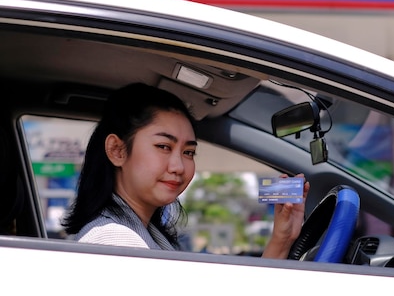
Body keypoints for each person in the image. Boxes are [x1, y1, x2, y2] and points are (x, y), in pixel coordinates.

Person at [62, 82, 308, 259]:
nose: (178, 167)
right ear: (117, 150)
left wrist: (282, 238)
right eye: (163, 146)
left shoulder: (140, 231)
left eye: (188, 152)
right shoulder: (116, 240)